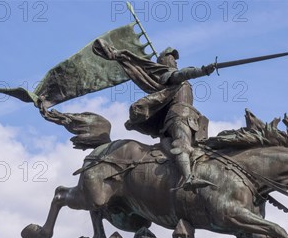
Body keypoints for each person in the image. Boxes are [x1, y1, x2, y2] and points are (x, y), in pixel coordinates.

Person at [92, 40, 216, 190]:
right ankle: (188, 178)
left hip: (192, 119)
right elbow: (183, 74)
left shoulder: (178, 78)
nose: (174, 61)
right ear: (163, 61)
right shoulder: (168, 76)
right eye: (170, 57)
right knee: (182, 144)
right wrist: (202, 70)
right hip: (178, 116)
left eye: (174, 58)